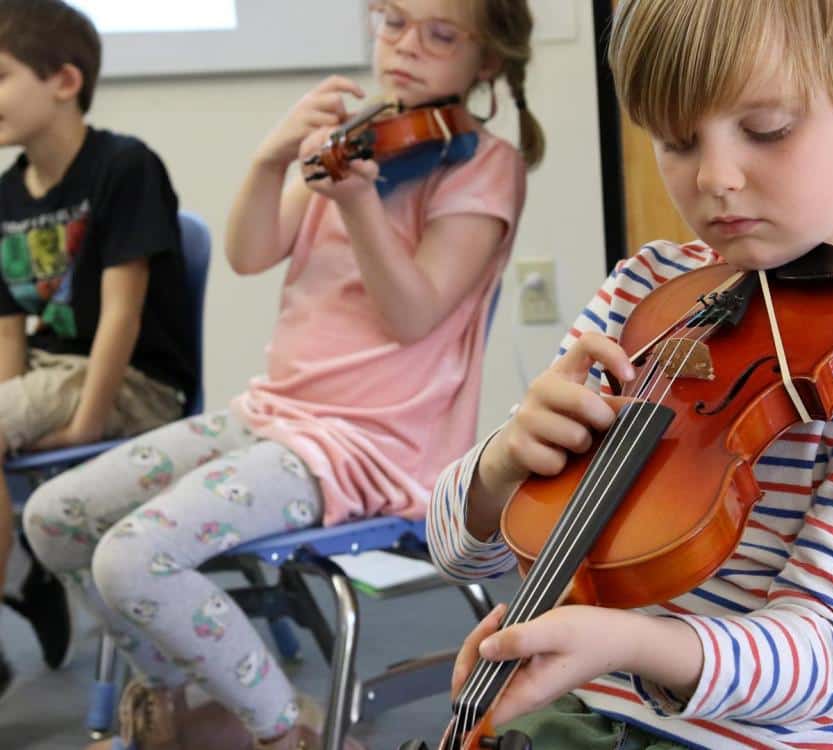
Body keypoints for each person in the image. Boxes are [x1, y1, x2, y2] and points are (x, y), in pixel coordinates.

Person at [430, 1, 833, 749]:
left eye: (766, 130)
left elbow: (825, 653)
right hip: (591, 715)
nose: (715, 176)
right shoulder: (648, 292)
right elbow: (459, 549)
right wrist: (504, 463)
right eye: (677, 140)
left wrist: (623, 645)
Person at [24, 0, 544, 748]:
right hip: (275, 413)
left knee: (133, 560)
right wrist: (272, 159)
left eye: (441, 34)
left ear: (487, 60)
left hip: (368, 442)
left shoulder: (484, 168)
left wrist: (360, 205)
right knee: (54, 519)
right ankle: (190, 701)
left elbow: (413, 314)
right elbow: (249, 251)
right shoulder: (357, 135)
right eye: (393, 22)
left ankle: (281, 731)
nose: (406, 47)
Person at [0, 0, 193, 697]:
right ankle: (23, 578)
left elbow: (122, 316)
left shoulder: (124, 166)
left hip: (130, 383)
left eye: (0, 76)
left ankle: (20, 583)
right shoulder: (5, 193)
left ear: (64, 80)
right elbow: (8, 331)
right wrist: (12, 418)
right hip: (52, 375)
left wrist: (82, 423)